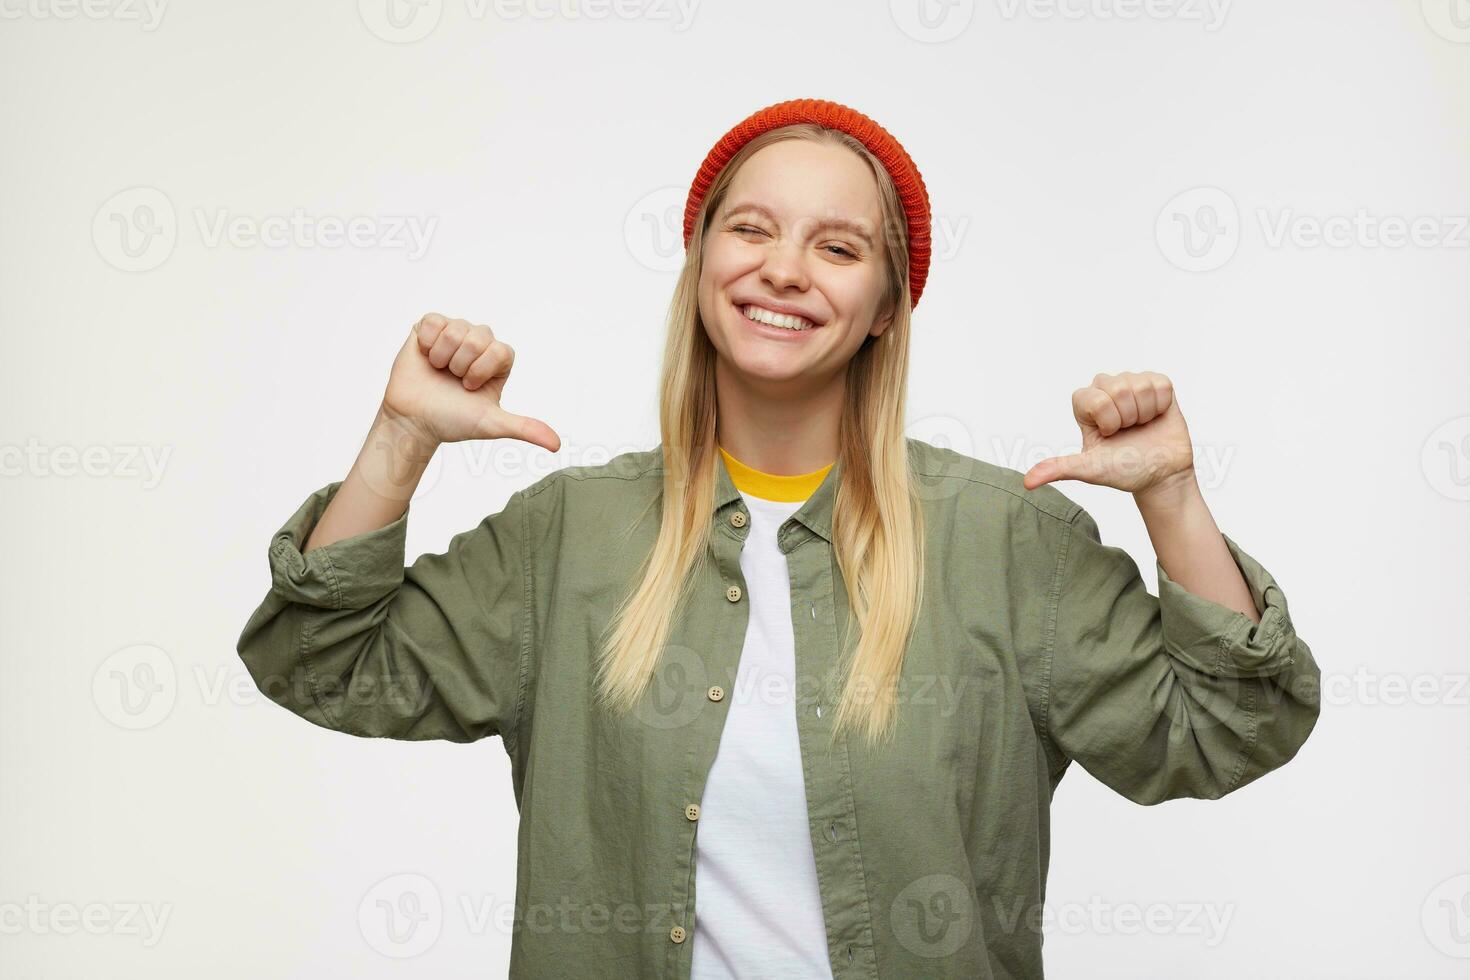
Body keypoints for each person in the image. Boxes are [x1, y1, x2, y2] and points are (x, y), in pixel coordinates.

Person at [236, 98, 1321, 979]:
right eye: (750, 227)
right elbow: (319, 658)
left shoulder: (1006, 540)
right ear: (701, 254)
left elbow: (1230, 726)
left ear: (888, 302)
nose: (784, 268)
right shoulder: (570, 533)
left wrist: (1172, 494)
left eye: (837, 245)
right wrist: (399, 441)